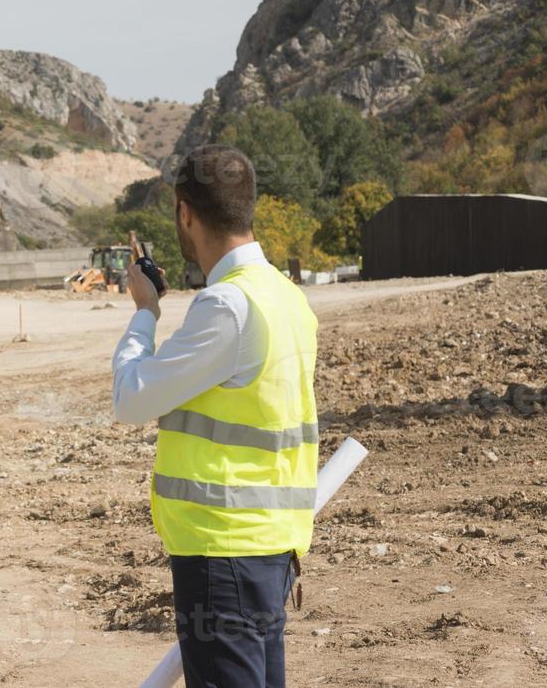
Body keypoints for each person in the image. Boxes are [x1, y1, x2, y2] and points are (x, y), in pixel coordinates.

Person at [111, 145, 318, 688]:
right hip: (272, 548)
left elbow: (132, 397)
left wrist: (144, 316)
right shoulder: (288, 298)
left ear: (185, 213)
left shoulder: (227, 305)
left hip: (222, 554)